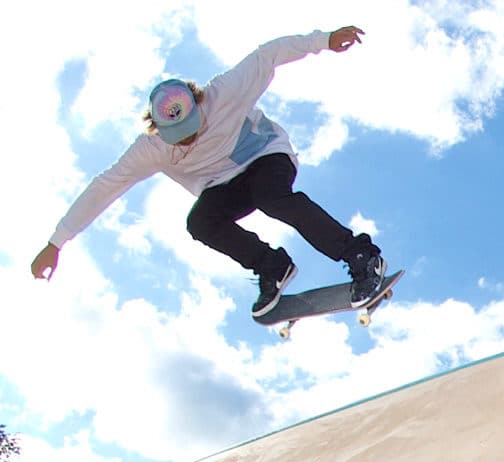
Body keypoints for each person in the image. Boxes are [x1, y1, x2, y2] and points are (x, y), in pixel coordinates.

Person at [31, 26, 384, 317]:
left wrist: (323, 41)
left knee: (271, 198)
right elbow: (105, 187)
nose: (187, 141)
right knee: (199, 222)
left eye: (191, 130)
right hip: (223, 185)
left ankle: (359, 254)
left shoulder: (226, 91)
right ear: (156, 127)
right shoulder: (149, 150)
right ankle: (272, 266)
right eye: (178, 139)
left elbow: (269, 53)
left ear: (199, 103)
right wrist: (56, 242)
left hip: (265, 156)